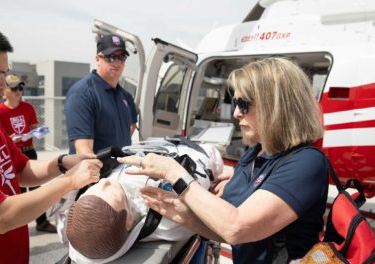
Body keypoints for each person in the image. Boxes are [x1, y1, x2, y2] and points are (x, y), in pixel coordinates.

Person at [118, 57, 328, 263]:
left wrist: (173, 173)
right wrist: (185, 215)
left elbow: (237, 227)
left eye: (243, 104)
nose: (236, 113)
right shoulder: (257, 152)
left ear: (275, 106)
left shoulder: (306, 162)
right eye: (235, 102)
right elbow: (229, 233)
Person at [0, 18, 102, 264]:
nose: (4, 88)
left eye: (6, 75)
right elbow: (1, 217)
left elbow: (21, 169)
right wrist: (70, 181)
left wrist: (64, 162)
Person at [57, 139, 223, 263]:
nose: (104, 182)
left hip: (148, 146)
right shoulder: (164, 219)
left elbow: (66, 211)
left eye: (94, 189)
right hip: (197, 153)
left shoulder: (72, 226)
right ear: (129, 221)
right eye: (109, 192)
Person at [0, 74, 56, 233]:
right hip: (12, 155)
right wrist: (9, 140)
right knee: (17, 192)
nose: (18, 91)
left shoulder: (28, 108)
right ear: (5, 89)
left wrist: (35, 133)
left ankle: (42, 222)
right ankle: (18, 226)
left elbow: (37, 129)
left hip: (29, 152)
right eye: (14, 88)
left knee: (36, 189)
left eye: (21, 88)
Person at [65, 34, 138, 156]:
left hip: (121, 170)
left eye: (122, 57)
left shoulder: (125, 96)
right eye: (111, 57)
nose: (117, 62)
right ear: (98, 59)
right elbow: (83, 150)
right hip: (96, 172)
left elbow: (132, 125)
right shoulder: (82, 94)